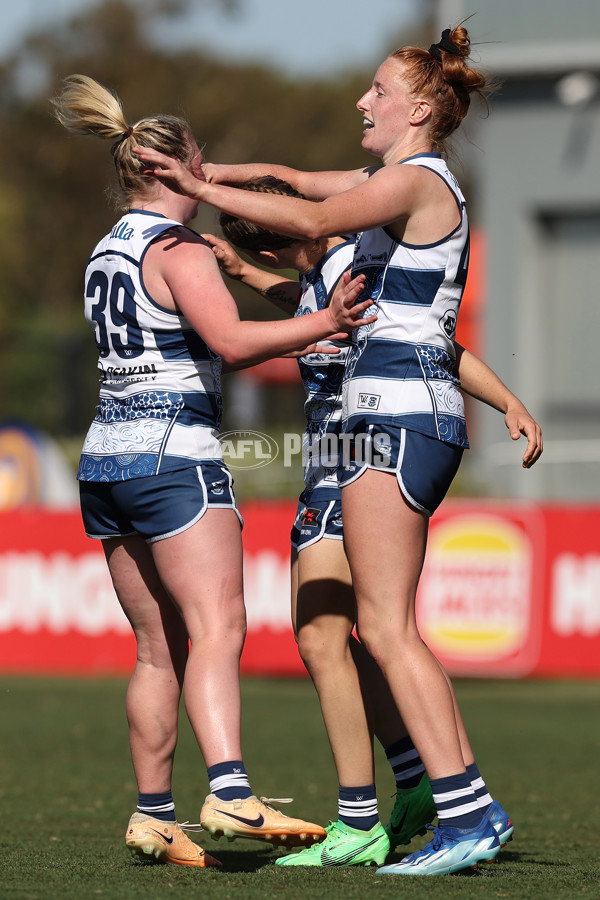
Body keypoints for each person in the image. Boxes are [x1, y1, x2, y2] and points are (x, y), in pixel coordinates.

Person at [134, 25, 540, 875]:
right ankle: (436, 801)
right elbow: (302, 187)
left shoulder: (420, 181)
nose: (363, 101)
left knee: (387, 629)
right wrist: (204, 181)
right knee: (362, 626)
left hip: (396, 420)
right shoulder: (395, 182)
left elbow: (311, 213)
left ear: (419, 109)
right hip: (381, 422)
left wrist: (196, 186)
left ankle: (467, 811)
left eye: (378, 92)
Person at [50, 74, 376, 869]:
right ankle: (229, 790)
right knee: (217, 629)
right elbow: (229, 343)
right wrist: (324, 322)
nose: (208, 176)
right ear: (171, 169)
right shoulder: (177, 247)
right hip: (175, 457)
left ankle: (154, 815)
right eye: (197, 162)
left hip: (105, 457)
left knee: (156, 650)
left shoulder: (106, 248)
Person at [202, 175, 541, 868]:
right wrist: (243, 270)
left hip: (354, 455)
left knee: (332, 635)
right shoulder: (335, 267)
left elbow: (425, 340)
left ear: (283, 233)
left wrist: (506, 400)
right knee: (348, 635)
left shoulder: (350, 264)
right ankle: (417, 781)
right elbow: (320, 308)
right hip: (337, 459)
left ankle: (366, 817)